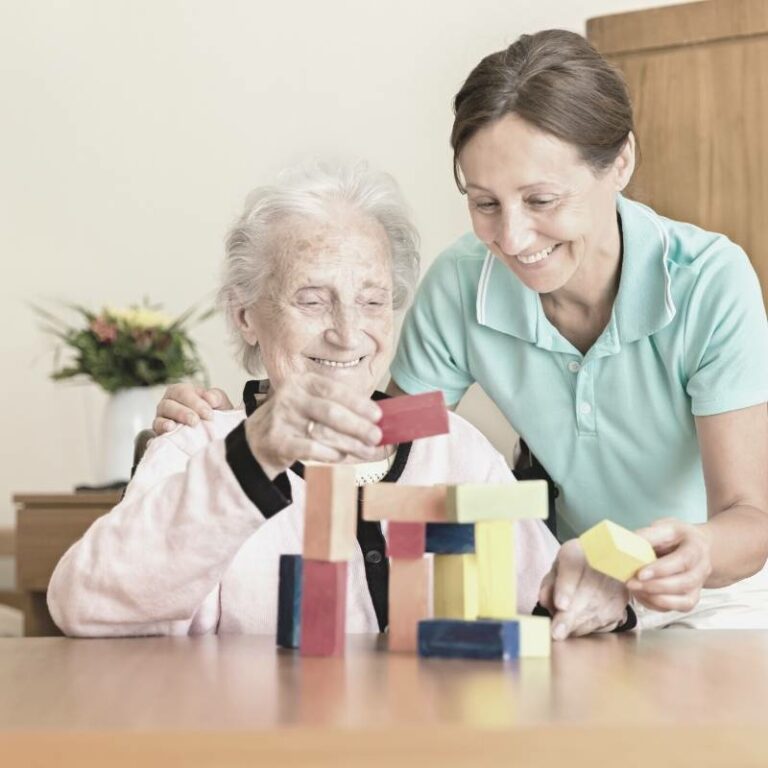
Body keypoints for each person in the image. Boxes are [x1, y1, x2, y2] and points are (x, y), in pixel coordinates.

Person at [157, 30, 768, 632]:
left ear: (622, 163)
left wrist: (693, 554)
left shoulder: (706, 282)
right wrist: (226, 428)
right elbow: (386, 443)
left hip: (713, 594)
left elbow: (751, 518)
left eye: (542, 200)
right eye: (485, 203)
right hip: (575, 585)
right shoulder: (462, 283)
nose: (513, 238)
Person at [49, 159, 617, 639]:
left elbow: (542, 611)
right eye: (313, 300)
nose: (348, 334)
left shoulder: (454, 447)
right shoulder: (197, 447)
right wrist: (255, 453)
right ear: (247, 316)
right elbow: (85, 606)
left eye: (372, 302)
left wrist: (596, 601)